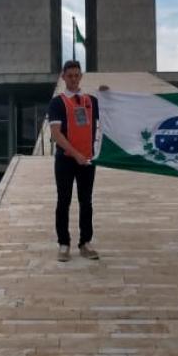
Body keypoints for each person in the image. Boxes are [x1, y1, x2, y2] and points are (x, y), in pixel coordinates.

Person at [47, 60, 100, 262]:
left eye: (77, 75)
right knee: (64, 201)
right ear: (63, 77)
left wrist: (107, 94)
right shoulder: (57, 102)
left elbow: (113, 113)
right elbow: (56, 134)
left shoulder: (91, 101)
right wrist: (75, 153)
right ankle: (64, 244)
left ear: (81, 76)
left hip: (87, 160)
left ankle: (85, 242)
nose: (74, 79)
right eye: (70, 75)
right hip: (66, 160)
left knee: (86, 202)